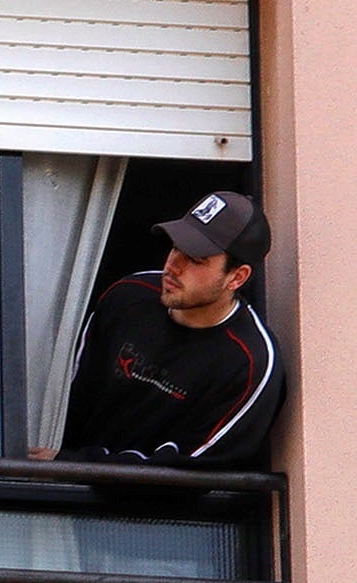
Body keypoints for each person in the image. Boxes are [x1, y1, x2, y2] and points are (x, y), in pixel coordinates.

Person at [58, 188, 282, 465]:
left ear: (236, 277)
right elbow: (69, 401)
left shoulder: (249, 361)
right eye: (176, 246)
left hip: (152, 506)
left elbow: (184, 475)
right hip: (68, 488)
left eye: (195, 259)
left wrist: (72, 463)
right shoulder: (128, 297)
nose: (173, 266)